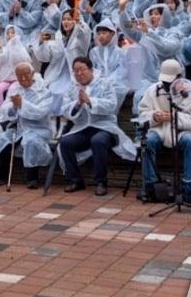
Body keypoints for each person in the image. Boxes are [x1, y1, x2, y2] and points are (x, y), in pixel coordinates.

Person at [58, 58, 136, 196]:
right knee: (65, 142)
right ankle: (75, 180)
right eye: (76, 71)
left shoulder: (105, 84)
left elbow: (112, 105)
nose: (79, 73)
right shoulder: (72, 88)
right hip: (82, 128)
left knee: (98, 141)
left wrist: (90, 101)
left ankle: (101, 182)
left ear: (91, 70)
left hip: (105, 127)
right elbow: (65, 110)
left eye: (82, 69)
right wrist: (77, 104)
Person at [137, 60, 191, 187]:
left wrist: (174, 118)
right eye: (165, 81)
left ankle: (189, 184)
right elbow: (142, 114)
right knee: (148, 140)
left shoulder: (189, 92)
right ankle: (150, 185)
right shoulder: (152, 90)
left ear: (179, 77)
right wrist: (154, 117)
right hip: (159, 130)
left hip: (180, 132)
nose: (167, 84)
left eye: (170, 81)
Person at [0, 62, 54, 188]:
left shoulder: (44, 91)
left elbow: (40, 113)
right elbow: (4, 108)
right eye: (19, 76)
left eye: (26, 75)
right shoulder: (15, 88)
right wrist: (14, 107)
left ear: (32, 74)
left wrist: (22, 104)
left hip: (39, 129)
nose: (23, 79)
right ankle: (1, 176)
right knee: (3, 140)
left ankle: (32, 178)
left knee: (31, 142)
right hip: (19, 128)